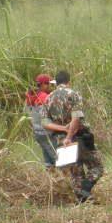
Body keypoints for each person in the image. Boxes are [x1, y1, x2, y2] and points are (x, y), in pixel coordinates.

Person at [43, 69, 104, 203]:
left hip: (60, 140)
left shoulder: (48, 98)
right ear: (68, 82)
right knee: (97, 167)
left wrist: (63, 130)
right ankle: (86, 190)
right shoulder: (73, 94)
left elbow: (45, 123)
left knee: (75, 173)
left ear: (56, 82)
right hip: (80, 138)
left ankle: (83, 200)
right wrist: (69, 136)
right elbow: (76, 118)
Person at [24, 74, 56, 168]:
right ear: (43, 84)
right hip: (48, 132)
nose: (51, 86)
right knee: (59, 161)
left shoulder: (31, 96)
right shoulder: (44, 97)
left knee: (49, 163)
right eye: (49, 84)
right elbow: (52, 115)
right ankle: (63, 176)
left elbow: (27, 113)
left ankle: (51, 176)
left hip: (38, 133)